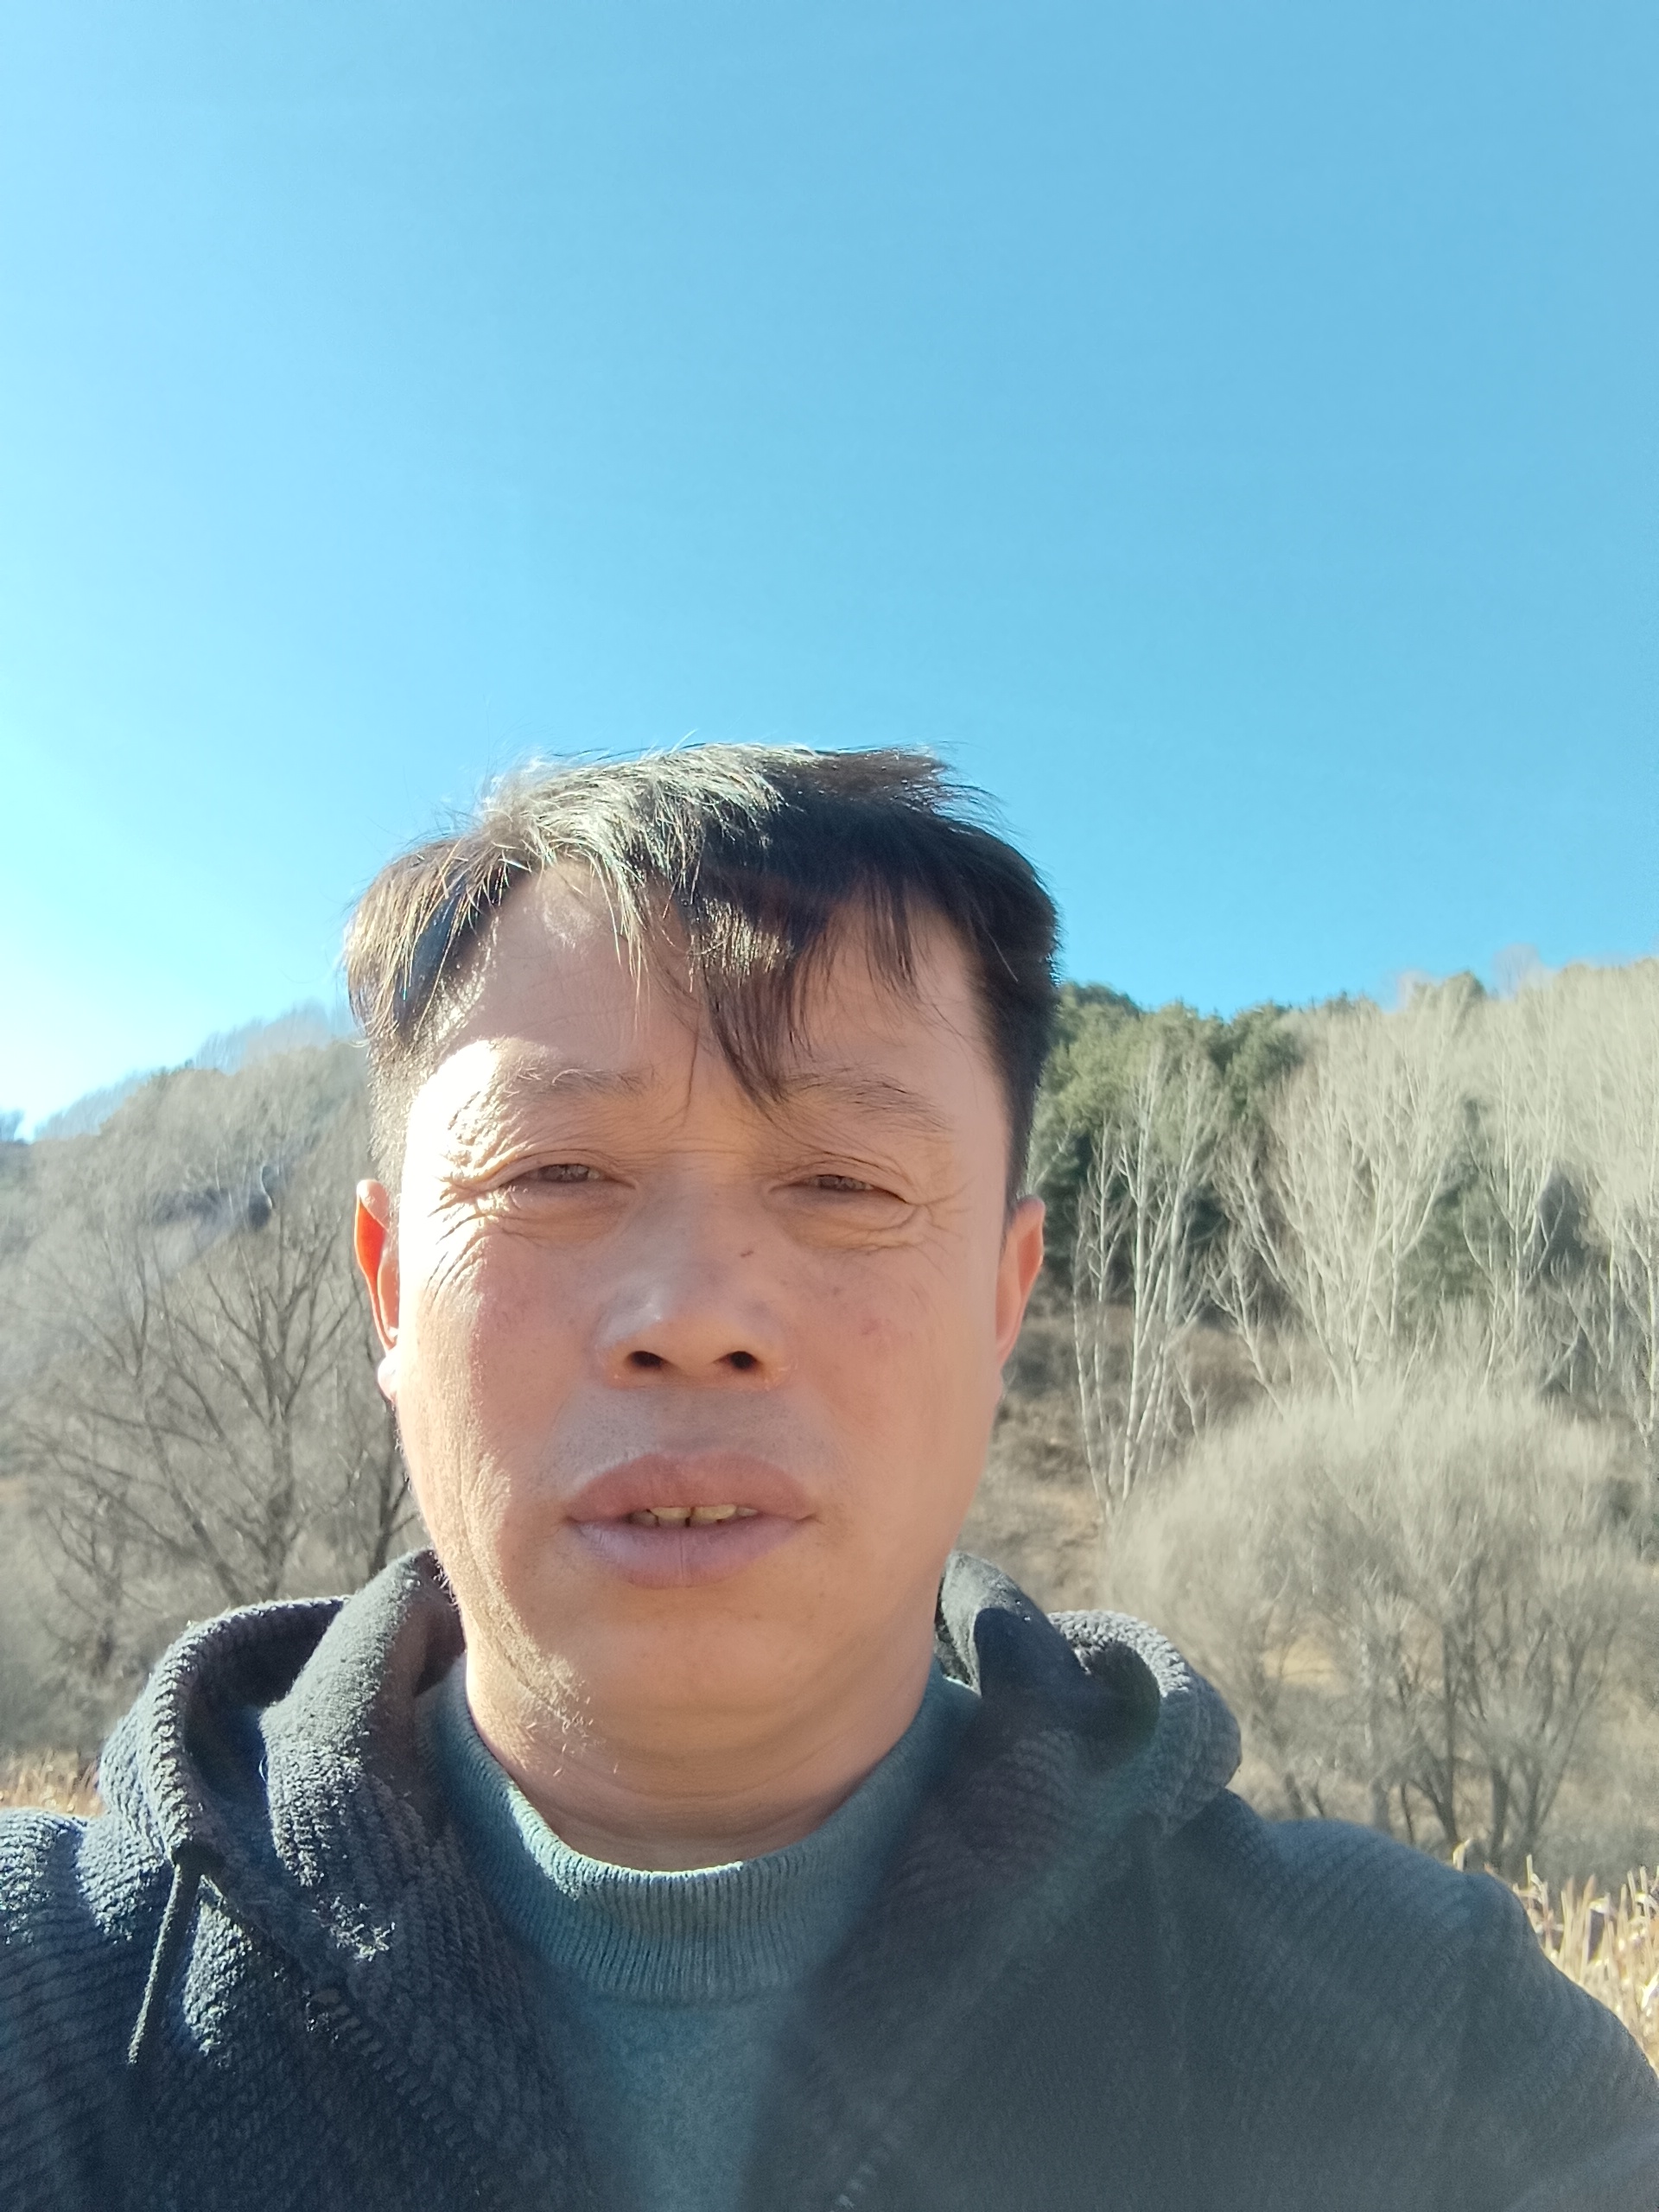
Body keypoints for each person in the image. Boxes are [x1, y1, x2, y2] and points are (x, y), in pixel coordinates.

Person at [3, 747, 1656, 2212]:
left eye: (847, 1183)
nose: (695, 1314)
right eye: (556, 1171)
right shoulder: (47, 2015)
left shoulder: (1428, 2045)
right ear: (386, 1290)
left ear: (1005, 1299)